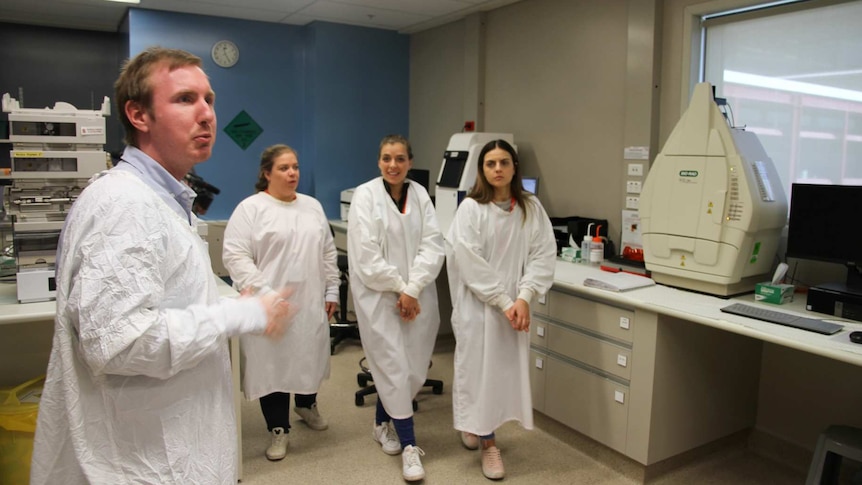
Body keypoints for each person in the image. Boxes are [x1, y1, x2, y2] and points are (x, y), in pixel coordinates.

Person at [29, 47, 290, 485]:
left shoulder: (165, 201)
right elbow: (118, 343)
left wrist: (227, 299)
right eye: (186, 99)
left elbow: (168, 290)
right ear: (139, 115)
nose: (207, 114)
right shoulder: (123, 204)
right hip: (137, 461)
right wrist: (238, 314)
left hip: (167, 442)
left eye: (210, 99)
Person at [445, 139, 556, 480]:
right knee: (478, 371)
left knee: (503, 373)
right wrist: (506, 301)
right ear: (481, 170)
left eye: (503, 162)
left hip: (513, 308)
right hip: (479, 306)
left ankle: (478, 424)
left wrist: (524, 296)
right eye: (490, 163)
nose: (497, 169)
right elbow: (470, 263)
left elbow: (542, 254)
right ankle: (488, 443)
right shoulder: (471, 210)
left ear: (514, 167)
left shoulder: (530, 208)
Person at [222, 144, 339, 461]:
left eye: (296, 167)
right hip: (268, 304)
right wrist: (264, 290)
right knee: (272, 365)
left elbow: (328, 252)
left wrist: (332, 291)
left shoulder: (312, 207)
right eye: (285, 168)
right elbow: (235, 255)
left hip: (310, 299)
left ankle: (305, 404)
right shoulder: (251, 208)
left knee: (308, 355)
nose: (292, 173)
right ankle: (278, 428)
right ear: (266, 173)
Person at [347, 134, 444, 482]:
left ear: (410, 162)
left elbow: (434, 245)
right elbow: (366, 256)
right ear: (378, 161)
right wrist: (402, 289)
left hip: (417, 297)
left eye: (400, 158)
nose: (393, 165)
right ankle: (409, 447)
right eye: (387, 158)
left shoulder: (419, 195)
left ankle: (380, 424)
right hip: (379, 297)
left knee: (414, 369)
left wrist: (413, 288)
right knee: (391, 366)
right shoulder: (365, 195)